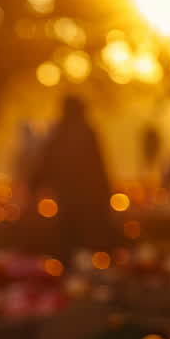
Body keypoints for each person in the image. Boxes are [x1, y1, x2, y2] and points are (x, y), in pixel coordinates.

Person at [27, 95, 119, 254]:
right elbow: (99, 168)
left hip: (69, 199)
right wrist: (105, 192)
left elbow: (45, 164)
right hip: (87, 200)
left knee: (69, 239)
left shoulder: (60, 134)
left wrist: (34, 187)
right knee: (88, 239)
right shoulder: (85, 133)